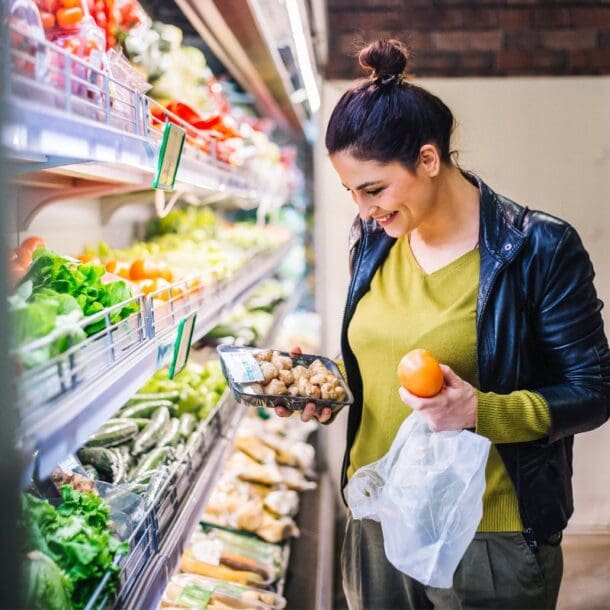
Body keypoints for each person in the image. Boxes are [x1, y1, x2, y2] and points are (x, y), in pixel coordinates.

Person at [277, 38, 610, 609]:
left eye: (374, 188)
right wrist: (328, 388)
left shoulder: (538, 248)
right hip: (376, 518)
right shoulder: (374, 243)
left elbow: (593, 392)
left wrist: (479, 411)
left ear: (428, 160)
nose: (363, 210)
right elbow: (385, 364)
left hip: (488, 537)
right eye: (351, 192)